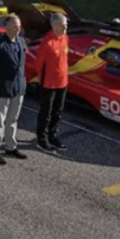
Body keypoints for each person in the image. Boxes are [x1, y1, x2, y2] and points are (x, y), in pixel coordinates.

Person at [0, 15, 29, 164]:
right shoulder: (0, 46)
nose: (18, 29)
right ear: (7, 27)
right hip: (3, 88)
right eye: (15, 26)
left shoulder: (21, 42)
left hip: (18, 87)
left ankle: (10, 146)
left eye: (19, 26)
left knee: (13, 118)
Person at [32, 12, 70, 152]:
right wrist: (42, 80)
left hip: (62, 82)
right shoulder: (47, 43)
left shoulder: (65, 38)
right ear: (53, 25)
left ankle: (53, 136)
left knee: (57, 111)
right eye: (62, 25)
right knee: (46, 112)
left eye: (66, 25)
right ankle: (42, 139)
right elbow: (38, 64)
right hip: (48, 84)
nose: (65, 28)